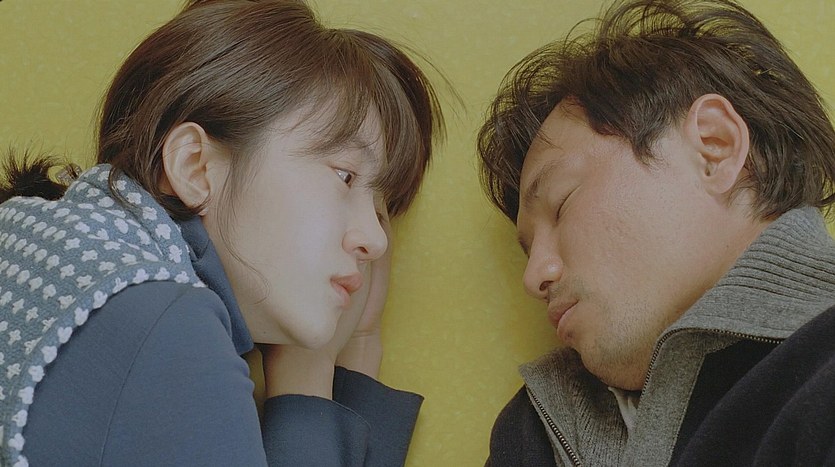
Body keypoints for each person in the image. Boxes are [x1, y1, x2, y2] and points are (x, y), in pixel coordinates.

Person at [0, 0, 444, 465]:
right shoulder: (169, 325)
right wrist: (307, 380)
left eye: (381, 209)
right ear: (195, 166)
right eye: (346, 176)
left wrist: (359, 342)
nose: (376, 240)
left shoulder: (56, 253)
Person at [477, 0, 835, 465]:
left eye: (562, 204)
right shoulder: (533, 427)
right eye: (528, 251)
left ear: (714, 148)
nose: (534, 277)